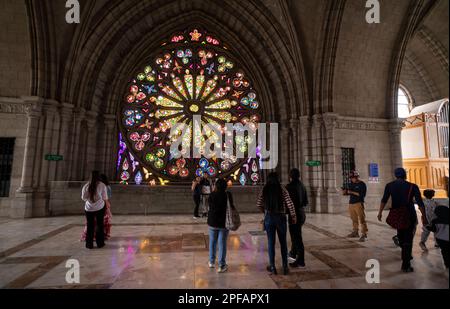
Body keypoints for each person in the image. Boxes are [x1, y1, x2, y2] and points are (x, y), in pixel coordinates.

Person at [377, 167, 427, 272]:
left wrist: (380, 212)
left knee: (402, 235)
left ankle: (404, 251)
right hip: (409, 215)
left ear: (395, 175)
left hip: (398, 216)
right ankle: (406, 264)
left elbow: (384, 199)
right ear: (405, 175)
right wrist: (424, 216)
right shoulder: (412, 186)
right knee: (408, 239)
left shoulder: (389, 186)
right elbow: (420, 203)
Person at [257, 172, 297, 275]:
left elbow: (259, 204)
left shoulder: (264, 190)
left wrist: (265, 211)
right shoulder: (282, 189)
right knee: (283, 243)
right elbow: (290, 204)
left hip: (269, 218)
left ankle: (272, 266)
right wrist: (293, 216)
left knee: (271, 242)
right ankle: (285, 267)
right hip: (281, 217)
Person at [207, 178, 234, 273]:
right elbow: (232, 206)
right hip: (223, 223)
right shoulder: (228, 195)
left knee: (212, 242)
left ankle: (211, 262)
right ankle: (222, 265)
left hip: (212, 222)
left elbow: (209, 207)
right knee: (222, 243)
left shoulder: (212, 194)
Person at [81, 171, 110, 249]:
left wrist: (90, 200)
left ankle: (89, 244)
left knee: (90, 226)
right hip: (99, 208)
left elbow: (83, 198)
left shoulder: (86, 186)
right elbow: (105, 198)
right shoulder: (102, 185)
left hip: (88, 208)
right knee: (99, 225)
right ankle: (100, 243)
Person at [285, 168, 308, 268]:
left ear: (290, 176)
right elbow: (306, 202)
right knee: (296, 236)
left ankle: (301, 261)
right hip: (302, 213)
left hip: (294, 215)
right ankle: (293, 254)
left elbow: (287, 203)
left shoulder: (289, 187)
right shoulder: (302, 186)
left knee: (297, 238)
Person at [342, 170, 368, 242]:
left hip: (358, 203)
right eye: (351, 178)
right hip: (351, 203)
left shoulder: (362, 184)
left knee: (362, 219)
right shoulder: (351, 184)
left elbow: (362, 195)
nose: (352, 179)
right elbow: (349, 193)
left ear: (357, 177)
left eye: (353, 177)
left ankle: (364, 234)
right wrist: (345, 192)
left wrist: (351, 192)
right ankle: (355, 232)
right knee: (354, 219)